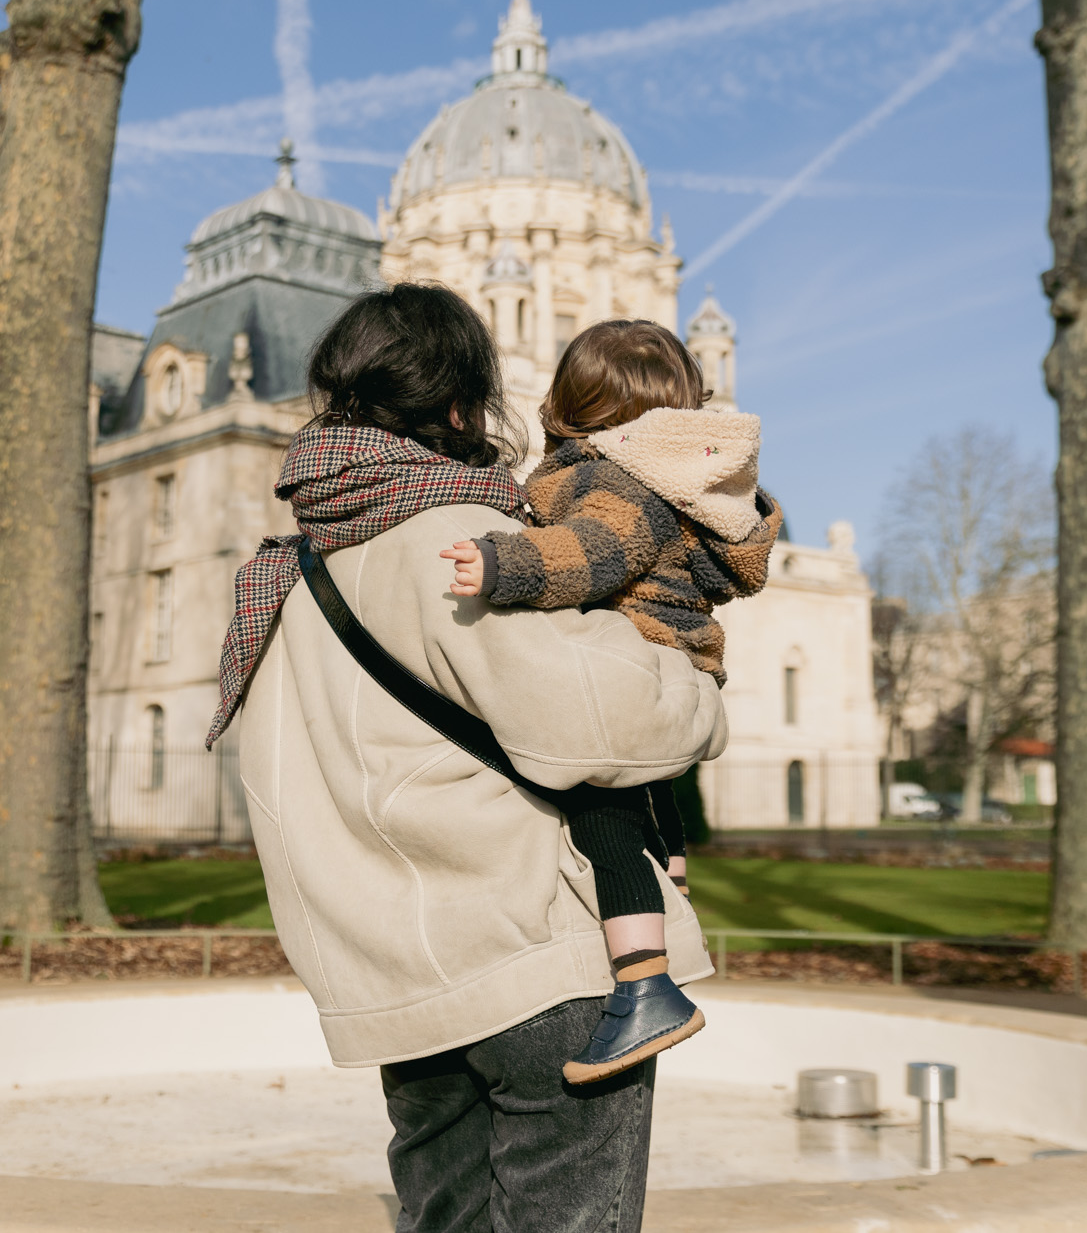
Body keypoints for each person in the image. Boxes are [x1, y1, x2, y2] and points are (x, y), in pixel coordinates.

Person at [207, 283, 726, 1232]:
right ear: (457, 406)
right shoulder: (458, 539)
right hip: (531, 960)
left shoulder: (283, 582)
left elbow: (277, 795)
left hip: (398, 980)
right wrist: (695, 687)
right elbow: (602, 723)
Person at [439, 320, 779, 1084]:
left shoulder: (611, 475)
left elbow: (597, 552)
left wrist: (504, 562)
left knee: (601, 811)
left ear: (569, 404)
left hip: (629, 662)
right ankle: (670, 881)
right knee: (648, 794)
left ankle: (645, 985)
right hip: (680, 660)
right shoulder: (683, 480)